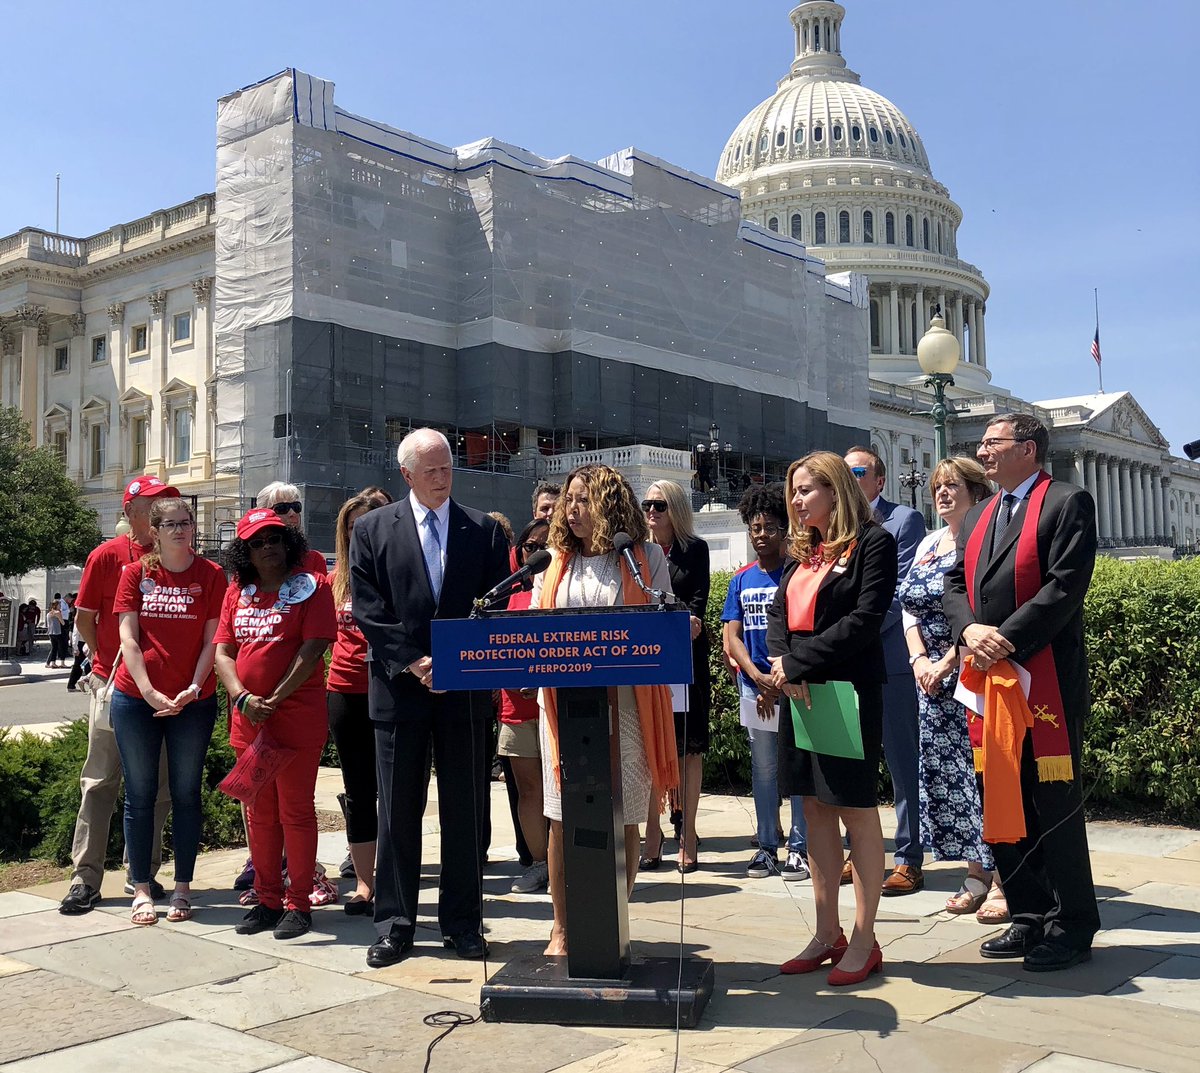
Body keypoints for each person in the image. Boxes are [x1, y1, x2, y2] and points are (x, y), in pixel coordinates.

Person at [944, 414, 1100, 972]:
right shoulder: (981, 513)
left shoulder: (1066, 502)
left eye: (993, 442)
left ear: (1028, 449)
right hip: (990, 682)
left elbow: (1064, 587)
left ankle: (1072, 924)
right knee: (1003, 801)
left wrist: (1002, 640)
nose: (982, 450)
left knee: (1051, 805)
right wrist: (969, 631)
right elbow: (955, 583)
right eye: (982, 443)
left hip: (1044, 679)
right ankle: (1029, 915)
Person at [350, 428, 510, 968]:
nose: (443, 478)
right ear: (407, 475)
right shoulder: (372, 529)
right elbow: (368, 607)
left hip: (463, 693)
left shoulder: (483, 531)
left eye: (447, 468)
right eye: (431, 471)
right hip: (400, 691)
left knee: (465, 810)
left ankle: (462, 924)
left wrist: (458, 662)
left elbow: (495, 605)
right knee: (398, 811)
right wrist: (415, 661)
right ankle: (395, 924)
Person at [532, 463, 679, 956]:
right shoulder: (553, 560)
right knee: (561, 816)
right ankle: (562, 926)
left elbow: (664, 615)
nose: (572, 509)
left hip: (629, 706)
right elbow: (532, 625)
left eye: (584, 500)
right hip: (562, 707)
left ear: (609, 504)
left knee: (625, 815)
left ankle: (614, 918)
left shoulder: (645, 557)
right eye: (569, 500)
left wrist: (682, 624)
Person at [767, 451, 896, 986]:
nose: (796, 500)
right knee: (814, 809)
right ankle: (827, 934)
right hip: (800, 695)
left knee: (855, 812)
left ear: (836, 489)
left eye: (806, 490)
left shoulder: (873, 543)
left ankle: (864, 940)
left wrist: (797, 663)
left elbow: (866, 619)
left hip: (846, 692)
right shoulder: (803, 552)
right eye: (793, 491)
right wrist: (782, 664)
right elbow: (778, 615)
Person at [215, 508, 336, 940]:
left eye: (274, 539)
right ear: (244, 551)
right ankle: (267, 899)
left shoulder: (313, 587)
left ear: (289, 543)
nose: (267, 547)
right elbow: (223, 652)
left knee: (295, 812)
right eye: (257, 542)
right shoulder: (237, 590)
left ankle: (298, 903)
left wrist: (275, 698)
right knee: (259, 813)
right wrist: (242, 697)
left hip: (295, 718)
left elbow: (314, 646)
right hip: (248, 720)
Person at [59, 476, 179, 915]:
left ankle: (141, 871)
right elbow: (84, 619)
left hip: (161, 690)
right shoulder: (107, 556)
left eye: (166, 505)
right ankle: (85, 878)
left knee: (157, 787)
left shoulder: (176, 558)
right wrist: (103, 660)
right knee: (100, 781)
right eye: (152, 507)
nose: (161, 514)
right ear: (129, 513)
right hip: (115, 686)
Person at [899, 457, 1005, 919]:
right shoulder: (929, 542)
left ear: (976, 491)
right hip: (930, 684)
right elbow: (908, 607)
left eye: (952, 485)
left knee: (986, 777)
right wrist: (919, 659)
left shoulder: (986, 539)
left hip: (972, 674)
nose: (942, 493)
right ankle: (974, 873)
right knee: (951, 780)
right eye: (937, 486)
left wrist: (946, 663)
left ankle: (1003, 880)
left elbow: (983, 610)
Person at [111, 498, 226, 925]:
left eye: (186, 522)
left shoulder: (211, 575)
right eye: (171, 524)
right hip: (136, 698)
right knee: (140, 795)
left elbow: (213, 640)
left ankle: (182, 887)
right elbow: (129, 638)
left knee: (186, 793)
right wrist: (148, 691)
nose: (181, 530)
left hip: (193, 702)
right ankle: (141, 887)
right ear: (155, 531)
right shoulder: (136, 574)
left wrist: (193, 687)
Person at [844, 446, 926, 895]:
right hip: (844, 663)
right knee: (849, 763)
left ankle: (908, 858)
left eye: (858, 471)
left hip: (889, 661)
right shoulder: (834, 527)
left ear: (879, 480)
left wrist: (851, 633)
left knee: (901, 761)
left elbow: (900, 592)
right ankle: (857, 854)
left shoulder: (904, 521)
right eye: (844, 471)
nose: (850, 477)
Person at [722, 483, 808, 881]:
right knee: (764, 768)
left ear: (784, 530)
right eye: (755, 528)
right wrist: (755, 677)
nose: (761, 535)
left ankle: (800, 848)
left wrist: (776, 679)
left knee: (798, 766)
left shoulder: (797, 573)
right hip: (753, 687)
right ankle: (767, 845)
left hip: (791, 685)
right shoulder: (740, 580)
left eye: (770, 527)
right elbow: (732, 637)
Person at [639, 479, 711, 874]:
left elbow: (697, 600)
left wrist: (689, 619)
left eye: (660, 505)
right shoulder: (637, 551)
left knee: (687, 749)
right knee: (649, 744)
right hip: (647, 660)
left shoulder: (694, 549)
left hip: (685, 657)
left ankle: (687, 835)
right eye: (647, 504)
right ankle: (652, 834)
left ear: (676, 509)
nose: (651, 511)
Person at [327, 492, 381, 914]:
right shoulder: (336, 579)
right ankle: (365, 884)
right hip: (344, 689)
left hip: (391, 689)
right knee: (359, 790)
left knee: (398, 791)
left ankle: (395, 873)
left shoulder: (397, 570)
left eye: (368, 523)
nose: (360, 532)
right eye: (352, 526)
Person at [497, 517, 552, 894]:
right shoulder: (506, 591)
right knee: (529, 791)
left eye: (546, 546)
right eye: (531, 547)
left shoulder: (563, 587)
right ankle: (540, 863)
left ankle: (564, 863)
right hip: (516, 708)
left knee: (563, 791)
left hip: (556, 707)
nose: (538, 553)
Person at [256, 481, 328, 577]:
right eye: (282, 508)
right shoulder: (250, 558)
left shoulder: (314, 559)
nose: (292, 513)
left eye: (296, 507)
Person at [45, 595, 65, 668]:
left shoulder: (49, 613)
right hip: (57, 631)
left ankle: (52, 662)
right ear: (56, 605)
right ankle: (61, 662)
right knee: (61, 647)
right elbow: (63, 622)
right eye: (59, 605)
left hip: (50, 632)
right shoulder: (57, 613)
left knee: (54, 648)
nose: (60, 606)